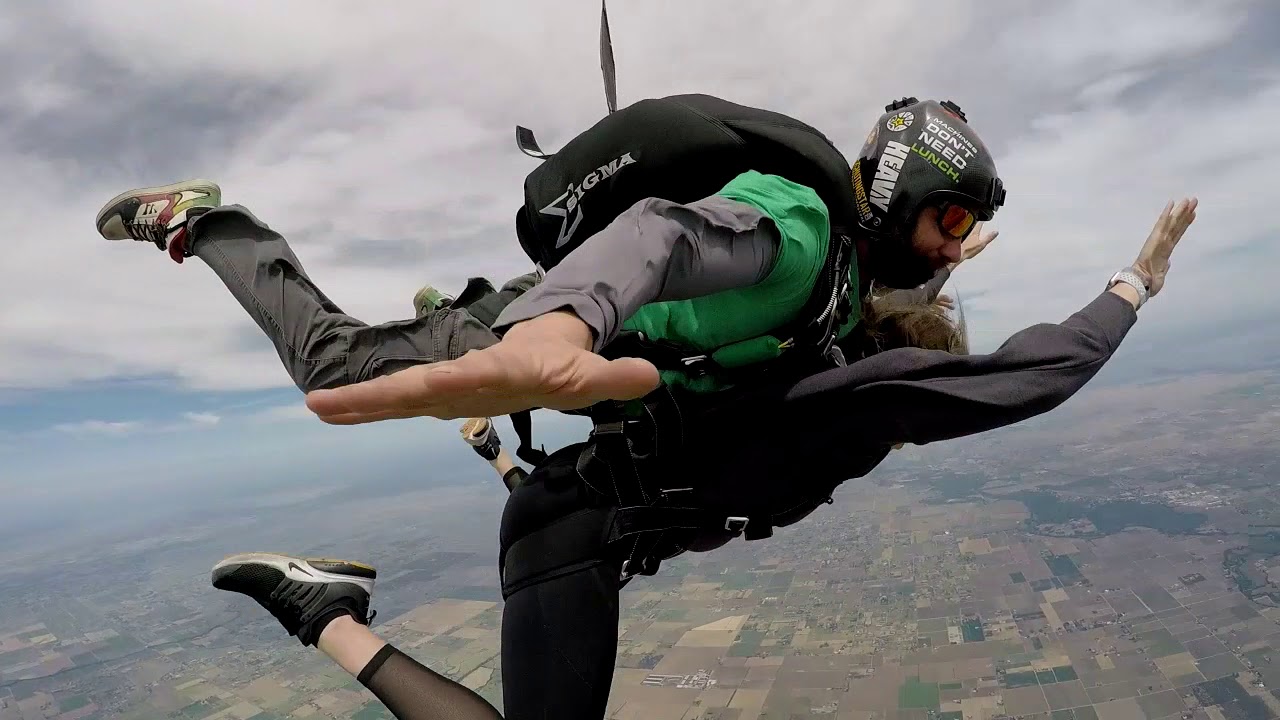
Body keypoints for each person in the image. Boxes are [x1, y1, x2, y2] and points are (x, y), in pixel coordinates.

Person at [208, 193, 1198, 720]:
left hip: (567, 514)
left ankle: (465, 388)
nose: (911, 430)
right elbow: (1039, 372)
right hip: (564, 533)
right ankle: (320, 609)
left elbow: (870, 331)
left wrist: (935, 271)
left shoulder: (794, 373)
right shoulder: (844, 410)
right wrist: (1133, 286)